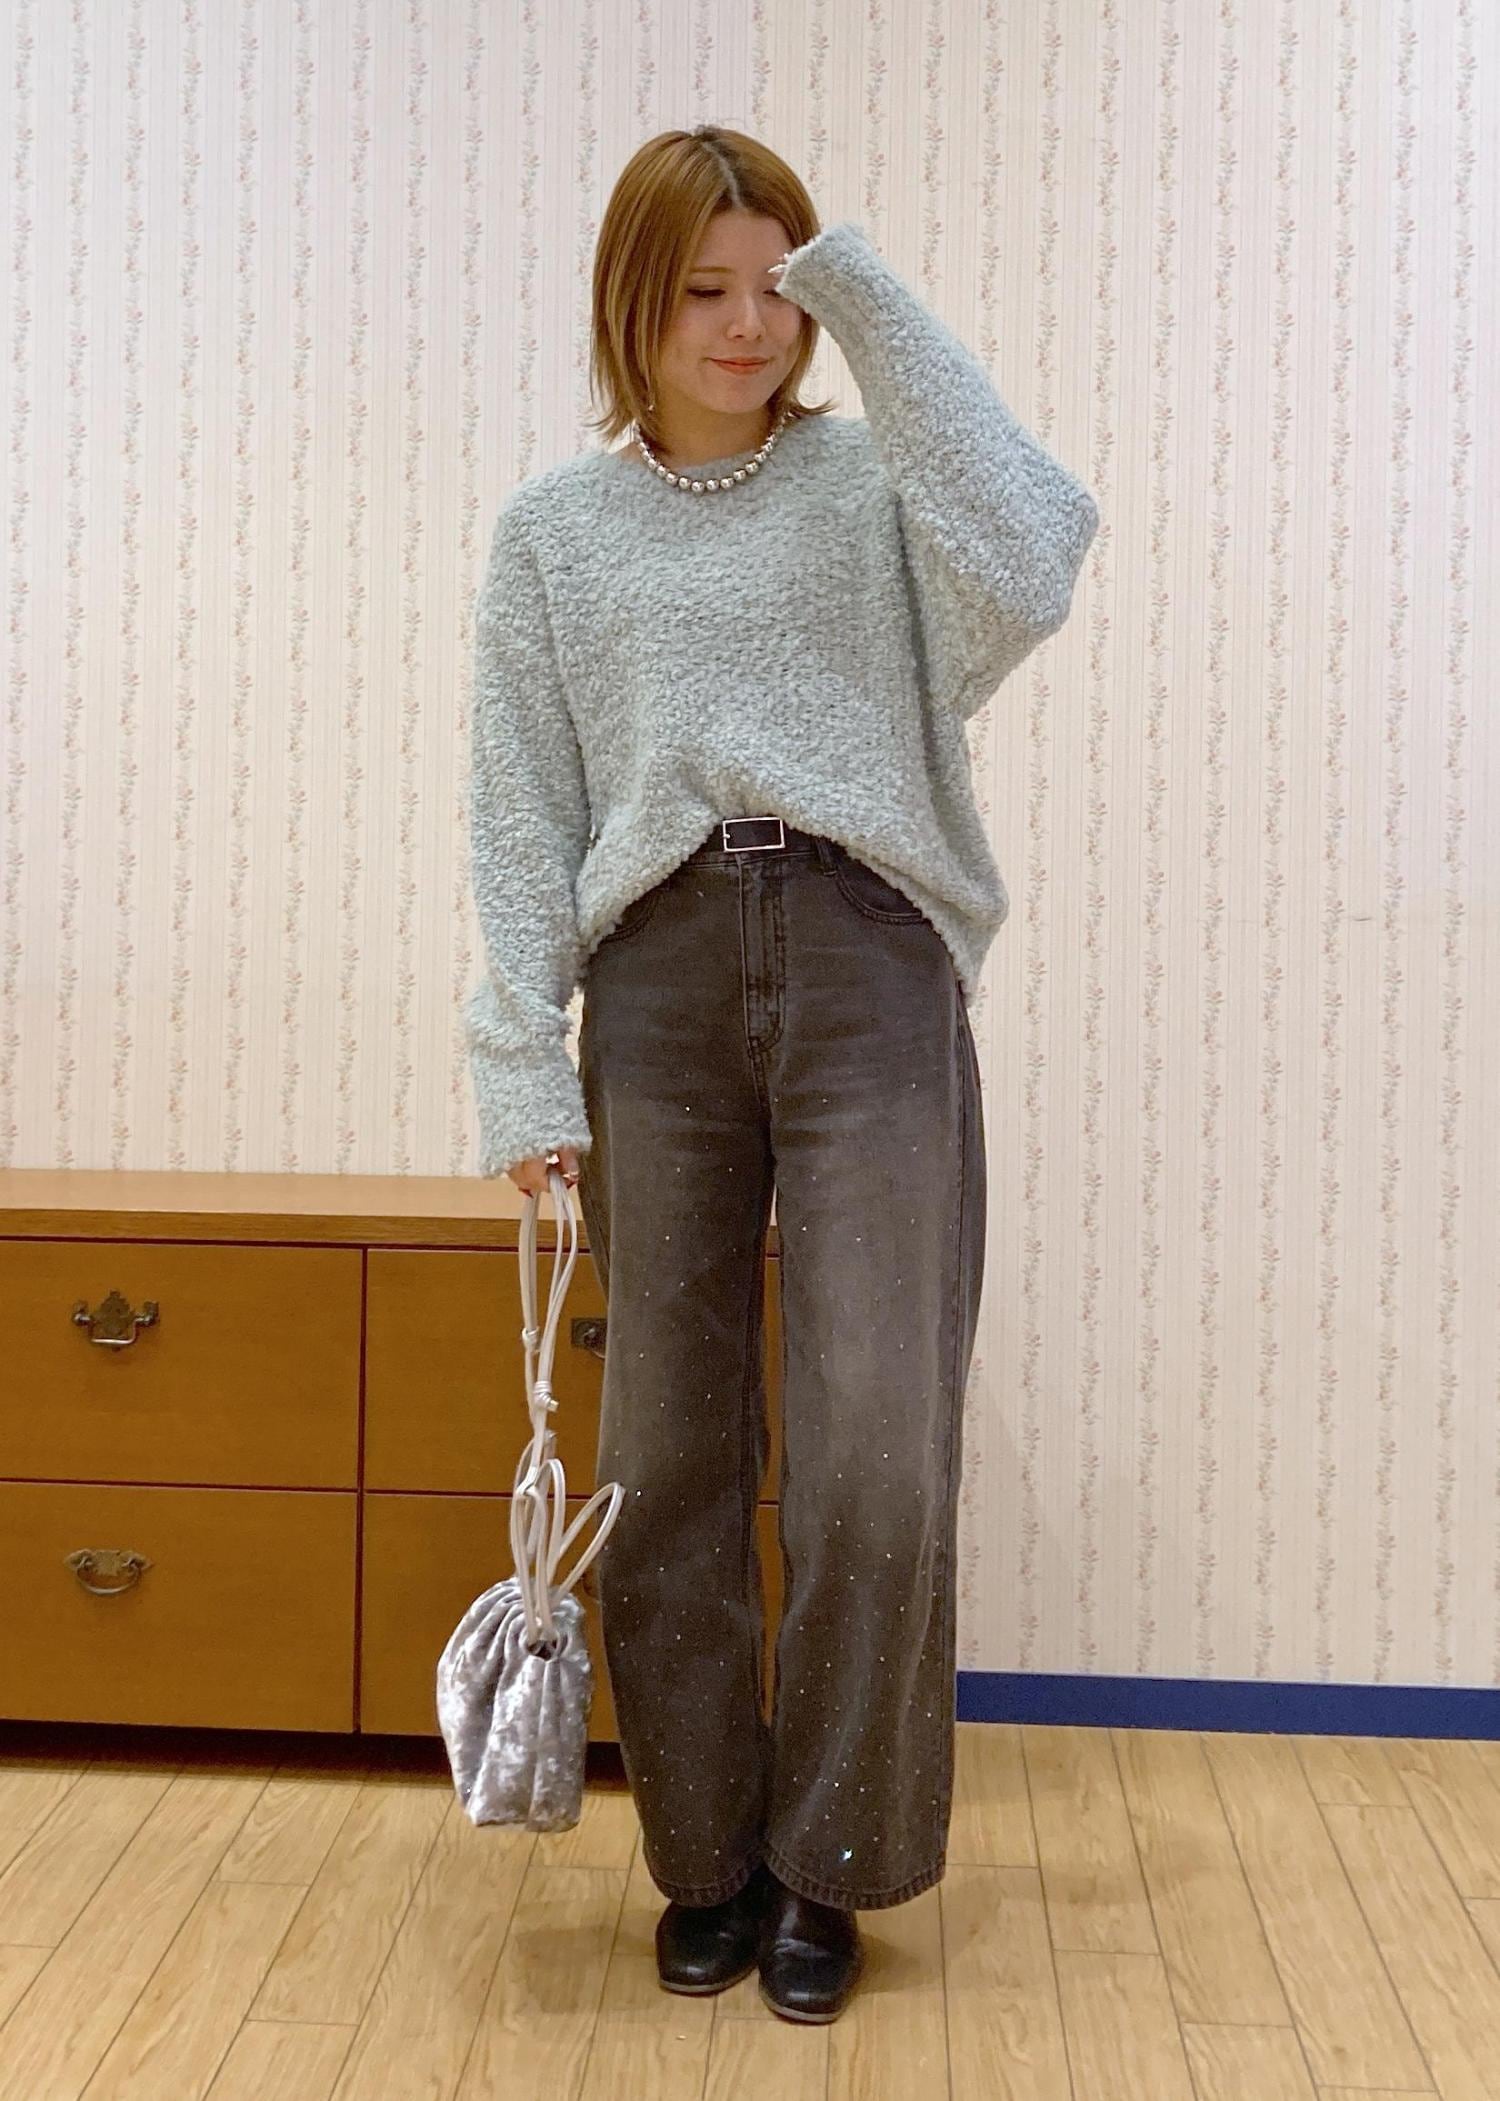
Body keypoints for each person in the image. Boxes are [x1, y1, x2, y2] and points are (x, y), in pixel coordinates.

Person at [467, 123, 1098, 2023]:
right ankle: (707, 1854)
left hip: (869, 966)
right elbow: (522, 809)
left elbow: (1041, 547)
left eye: (779, 288)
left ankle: (831, 1859)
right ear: (630, 301)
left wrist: (867, 297)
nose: (748, 326)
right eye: (704, 289)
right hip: (654, 988)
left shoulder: (877, 487)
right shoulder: (554, 534)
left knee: (877, 1447)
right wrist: (520, 1065)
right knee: (669, 1454)